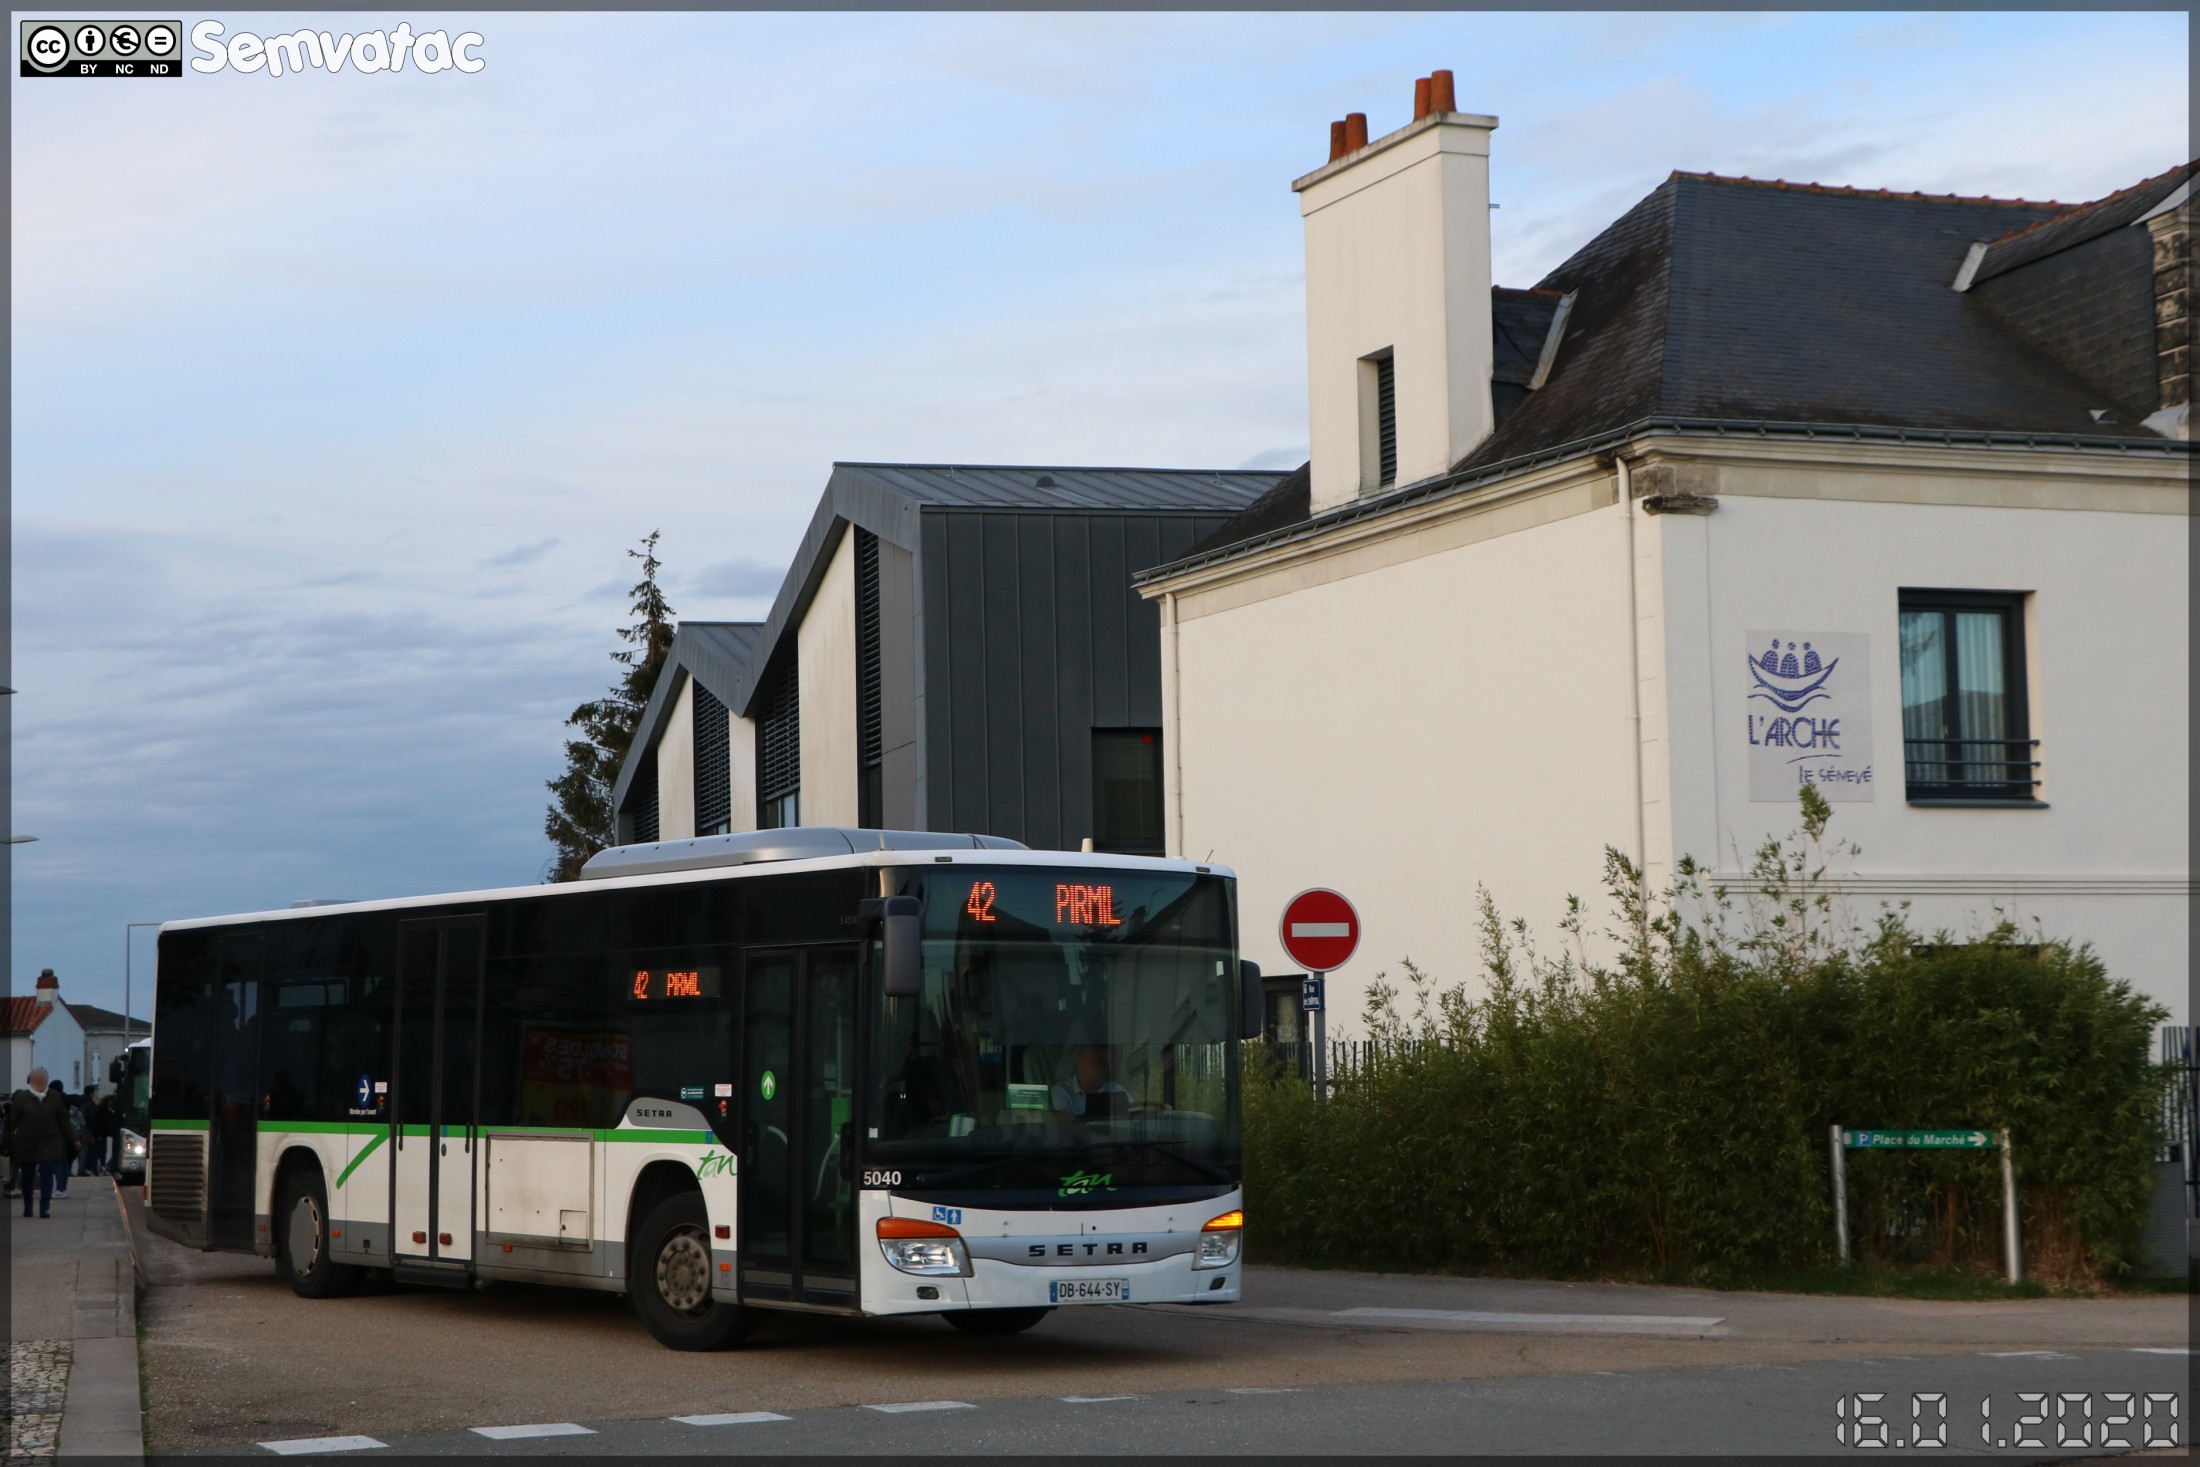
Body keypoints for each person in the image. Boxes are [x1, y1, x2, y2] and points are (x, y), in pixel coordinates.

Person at [4, 1068, 78, 1218]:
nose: (40, 1083)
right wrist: (5, 1144)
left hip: (50, 1143)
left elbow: (63, 1120)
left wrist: (74, 1138)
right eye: (37, 1080)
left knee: (47, 1174)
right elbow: (11, 1122)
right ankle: (28, 1206)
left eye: (43, 1080)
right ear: (31, 1081)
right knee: (28, 1177)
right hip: (27, 1143)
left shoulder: (54, 1097)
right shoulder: (22, 1098)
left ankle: (44, 1207)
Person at [1051, 1044, 1132, 1118]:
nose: (1104, 1067)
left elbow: (1134, 1113)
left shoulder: (1116, 1089)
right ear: (1080, 1062)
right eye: (1098, 1061)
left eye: (1107, 1063)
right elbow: (1062, 1122)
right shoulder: (1060, 1092)